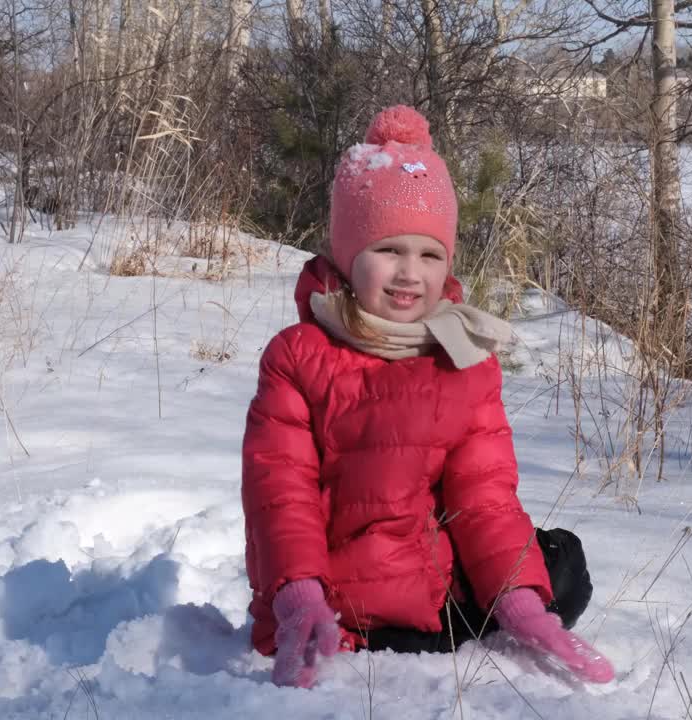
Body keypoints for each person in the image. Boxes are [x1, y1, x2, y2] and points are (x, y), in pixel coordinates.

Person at [241, 105, 614, 689]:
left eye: (430, 255)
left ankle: (503, 610)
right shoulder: (298, 357)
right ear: (347, 254)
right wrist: (299, 596)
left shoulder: (461, 357)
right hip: (335, 609)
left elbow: (483, 496)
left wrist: (519, 602)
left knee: (560, 561)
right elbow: (280, 493)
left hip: (432, 592)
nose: (410, 273)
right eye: (389, 250)